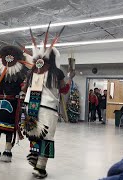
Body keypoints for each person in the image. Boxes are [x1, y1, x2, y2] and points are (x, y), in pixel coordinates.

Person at [22, 26, 75, 178]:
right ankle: (40, 167)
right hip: (47, 108)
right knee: (46, 136)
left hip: (30, 106)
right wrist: (70, 78)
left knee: (33, 131)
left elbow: (24, 88)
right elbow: (64, 90)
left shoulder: (32, 70)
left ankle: (34, 155)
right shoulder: (56, 72)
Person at [0, 45, 28, 162]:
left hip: (9, 102)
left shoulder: (18, 73)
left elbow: (22, 87)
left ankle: (4, 151)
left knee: (7, 127)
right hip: (3, 101)